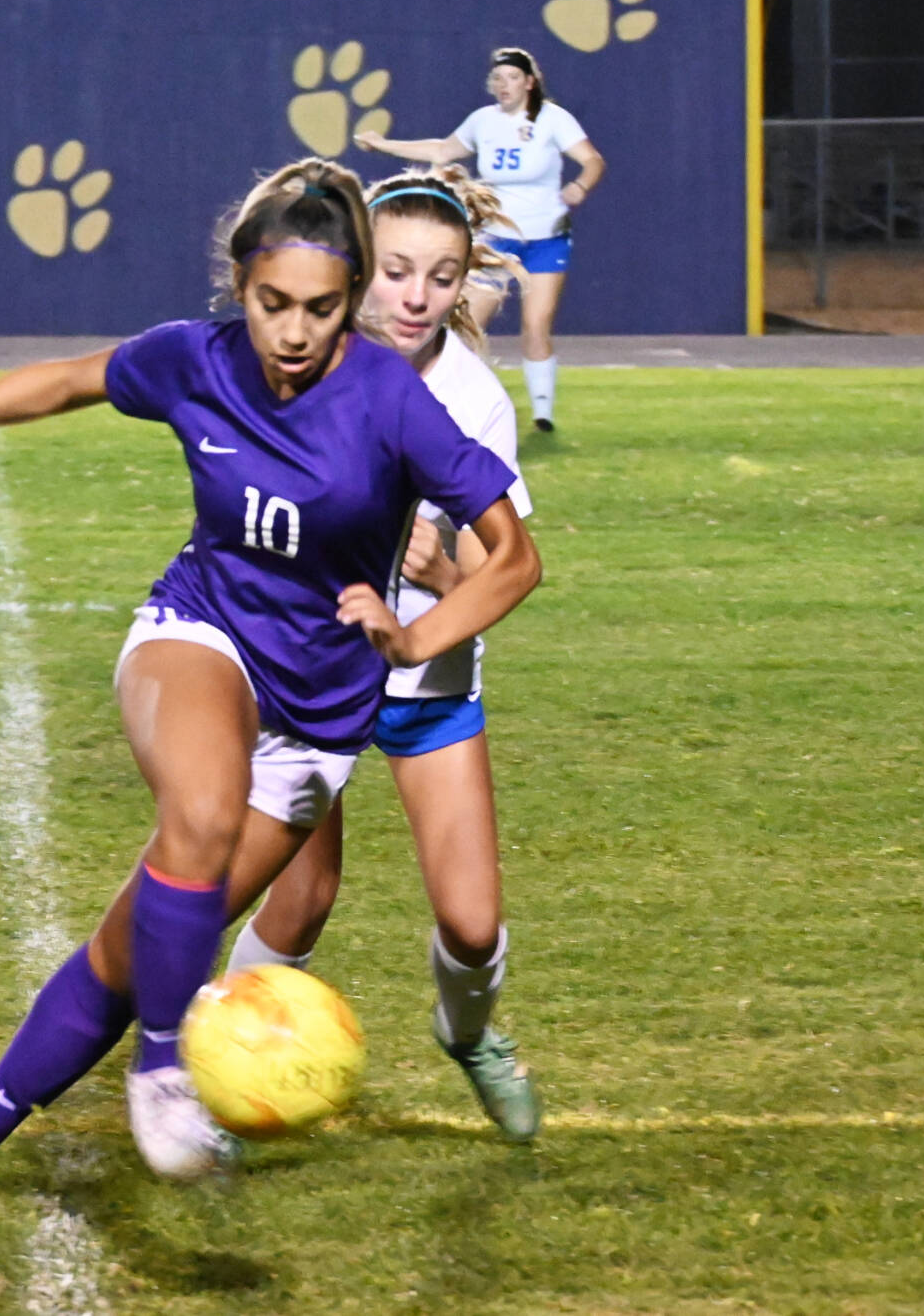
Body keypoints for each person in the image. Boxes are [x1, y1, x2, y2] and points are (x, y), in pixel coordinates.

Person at [0, 157, 542, 1218]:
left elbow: (513, 557)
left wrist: (412, 641)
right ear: (238, 285)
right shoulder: (193, 360)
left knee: (131, 953)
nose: (296, 330)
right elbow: (71, 379)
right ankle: (166, 1070)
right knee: (201, 810)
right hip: (198, 631)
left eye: (320, 307)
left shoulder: (391, 401)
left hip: (319, 716)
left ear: (347, 296)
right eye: (273, 304)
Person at [225, 166, 541, 1141]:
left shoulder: (473, 401)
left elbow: (506, 574)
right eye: (396, 271)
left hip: (424, 686)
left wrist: (441, 576)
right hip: (304, 682)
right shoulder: (298, 360)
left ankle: (468, 1032)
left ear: (460, 285)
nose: (416, 296)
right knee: (297, 892)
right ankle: (217, 1070)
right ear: (359, 272)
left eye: (441, 278)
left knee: (473, 925)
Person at [357, 45, 605, 432]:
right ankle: (435, 404)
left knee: (537, 326)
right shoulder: (483, 121)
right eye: (497, 79)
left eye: (511, 78)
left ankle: (543, 415)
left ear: (530, 82)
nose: (503, 85)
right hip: (496, 241)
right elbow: (442, 150)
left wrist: (580, 186)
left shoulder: (554, 120)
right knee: (462, 326)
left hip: (546, 239)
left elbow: (592, 160)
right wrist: (384, 144)